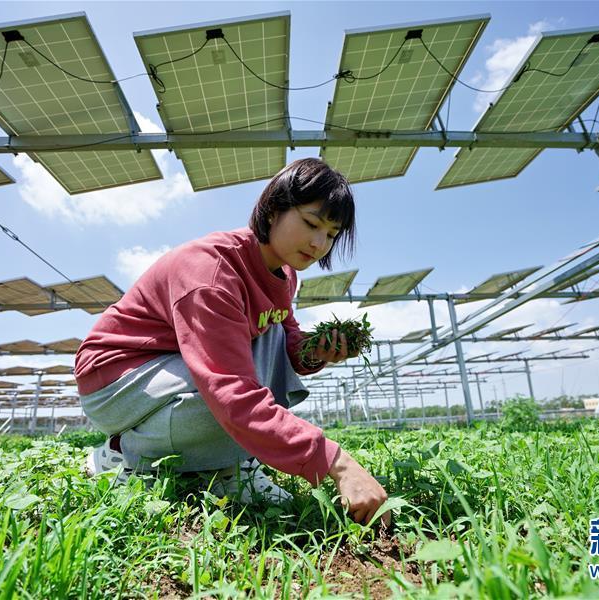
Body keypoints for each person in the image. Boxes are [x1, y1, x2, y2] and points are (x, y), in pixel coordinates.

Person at [74, 158, 389, 526]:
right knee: (224, 395)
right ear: (273, 210)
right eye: (310, 223)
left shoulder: (285, 275)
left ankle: (228, 466)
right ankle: (124, 452)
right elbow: (231, 392)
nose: (319, 244)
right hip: (117, 380)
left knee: (266, 335)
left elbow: (284, 339)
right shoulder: (211, 273)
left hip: (171, 369)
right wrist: (338, 465)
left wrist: (312, 351)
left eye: (332, 234)